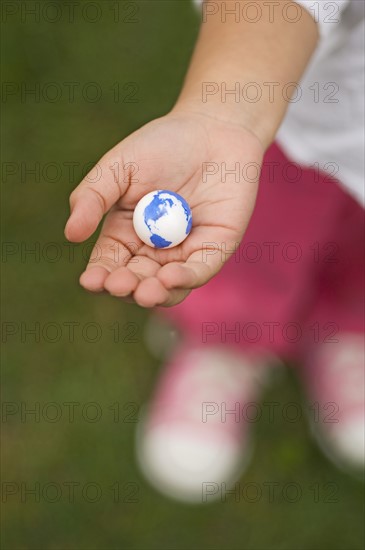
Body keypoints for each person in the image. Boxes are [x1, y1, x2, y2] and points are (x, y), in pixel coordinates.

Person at [65, 0, 364, 502]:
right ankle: (226, 338)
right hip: (299, 106)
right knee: (254, 231)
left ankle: (348, 327)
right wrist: (222, 113)